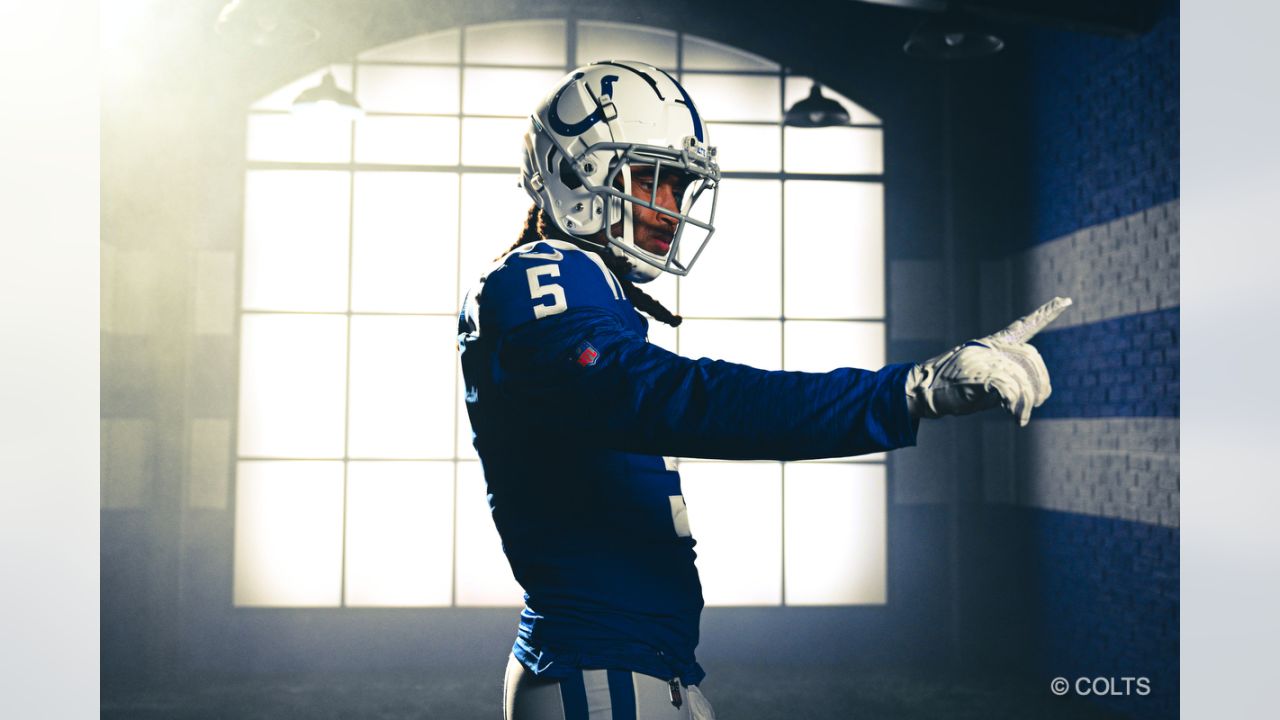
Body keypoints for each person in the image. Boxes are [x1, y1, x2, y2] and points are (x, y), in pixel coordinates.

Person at [456, 61, 1070, 720]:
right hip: (595, 667)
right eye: (654, 180)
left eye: (683, 187)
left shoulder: (582, 284)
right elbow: (671, 398)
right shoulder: (539, 273)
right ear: (577, 170)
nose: (671, 208)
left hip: (632, 661)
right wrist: (906, 393)